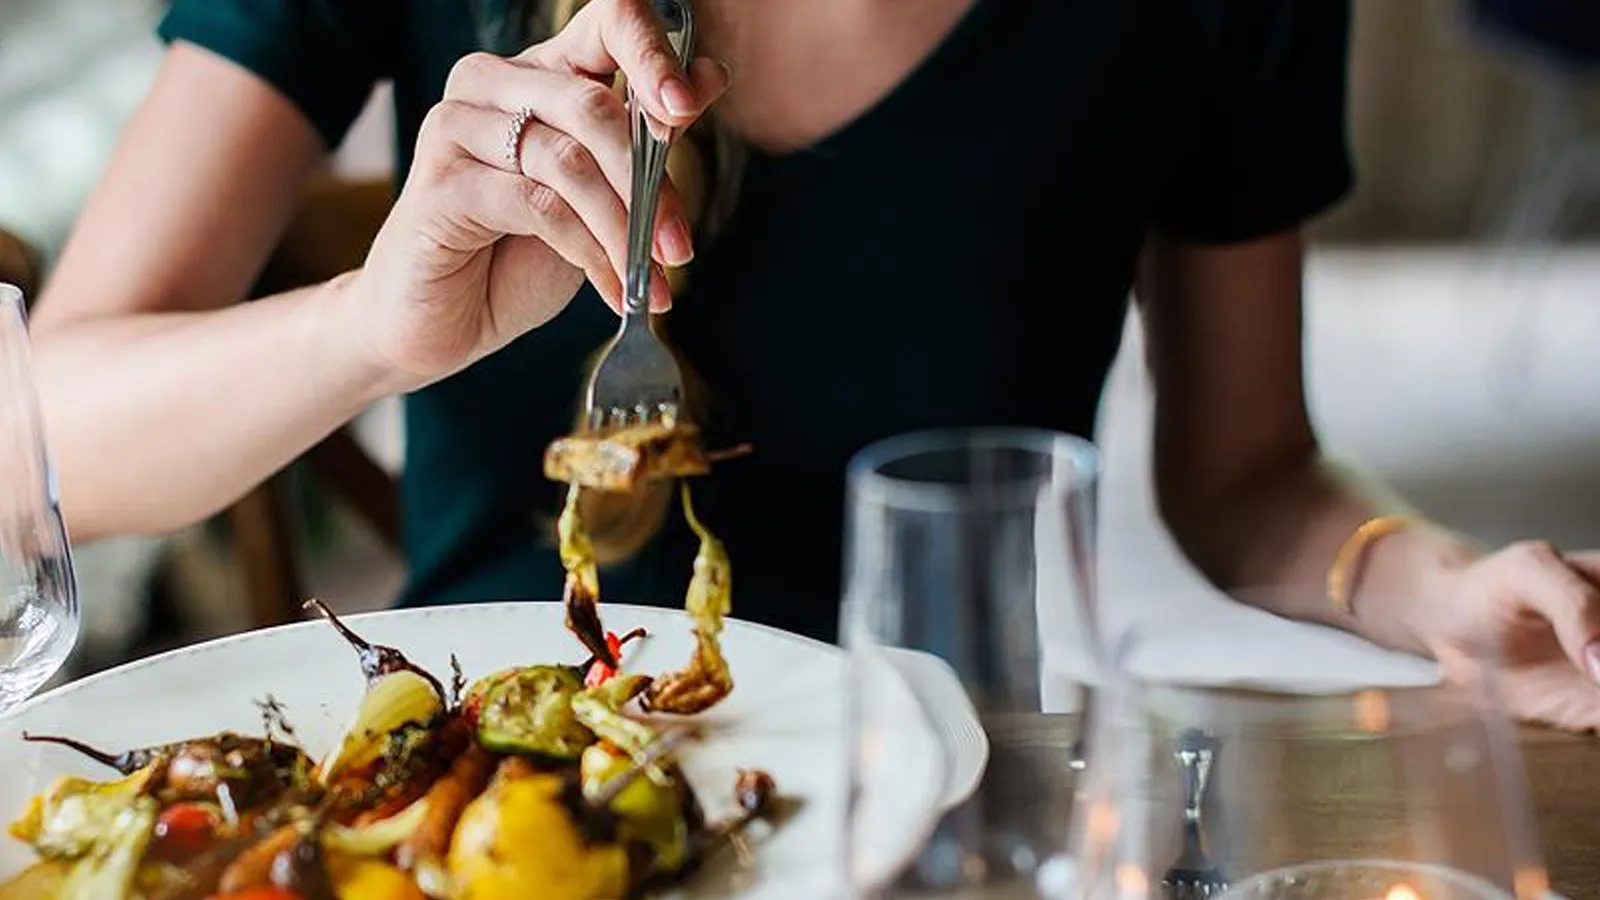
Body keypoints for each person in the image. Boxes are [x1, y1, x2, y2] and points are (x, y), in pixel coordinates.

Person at [26, 0, 1600, 731]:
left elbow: (1249, 479)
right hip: (471, 791)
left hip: (943, 804)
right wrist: (374, 329)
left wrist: (1433, 586)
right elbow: (43, 452)